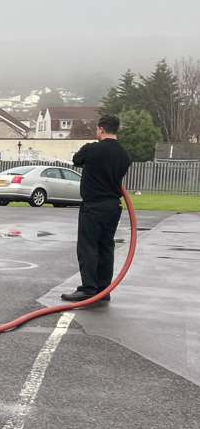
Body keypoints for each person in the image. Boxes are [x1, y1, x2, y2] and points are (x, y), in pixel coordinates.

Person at [61, 114, 133, 303]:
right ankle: (103, 289)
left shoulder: (92, 149)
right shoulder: (124, 153)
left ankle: (88, 288)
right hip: (114, 205)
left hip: (94, 205)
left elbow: (77, 160)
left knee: (88, 246)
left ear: (101, 129)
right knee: (106, 246)